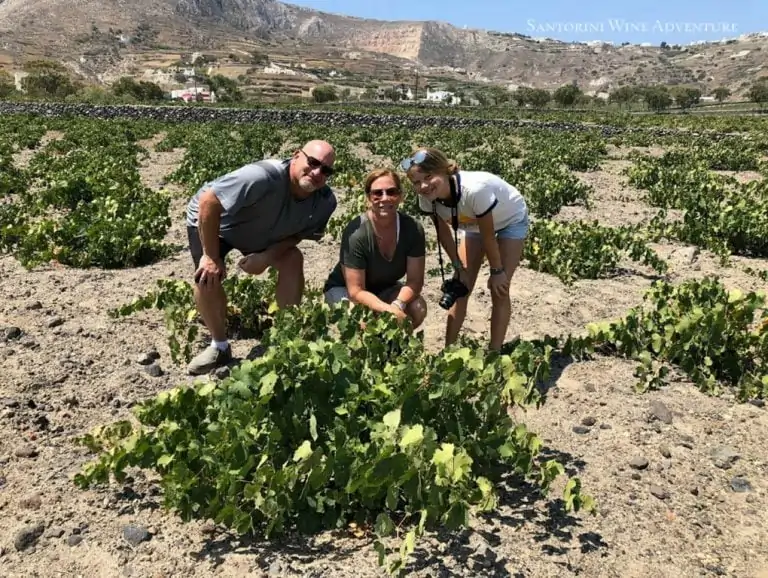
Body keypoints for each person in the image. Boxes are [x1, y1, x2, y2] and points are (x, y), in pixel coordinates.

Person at [184, 140, 338, 375]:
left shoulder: (325, 202)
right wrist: (211, 257)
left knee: (292, 259)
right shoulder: (262, 177)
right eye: (313, 162)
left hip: (266, 230)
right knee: (207, 275)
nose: (317, 172)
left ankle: (285, 339)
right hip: (219, 222)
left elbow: (297, 235)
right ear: (297, 156)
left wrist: (266, 256)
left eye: (326, 170)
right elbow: (209, 201)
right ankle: (219, 346)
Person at [400, 147, 529, 351]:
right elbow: (443, 232)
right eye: (416, 182)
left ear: (444, 170)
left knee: (499, 289)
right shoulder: (426, 198)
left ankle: (494, 351)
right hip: (471, 224)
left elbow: (488, 235)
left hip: (508, 220)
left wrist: (497, 271)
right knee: (460, 287)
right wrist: (459, 267)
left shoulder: (474, 190)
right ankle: (448, 350)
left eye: (429, 176)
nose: (423, 185)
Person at [323, 168, 427, 328]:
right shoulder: (356, 232)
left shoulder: (412, 229)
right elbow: (356, 291)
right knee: (364, 320)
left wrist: (398, 305)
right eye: (377, 193)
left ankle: (393, 349)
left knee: (417, 308)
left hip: (384, 288)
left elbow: (415, 281)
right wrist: (386, 309)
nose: (385, 198)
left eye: (391, 192)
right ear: (368, 198)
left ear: (400, 196)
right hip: (344, 289)